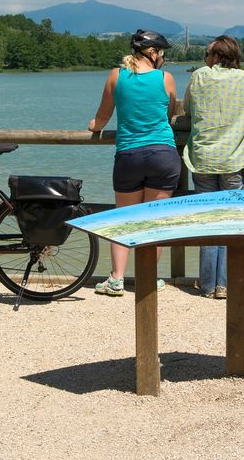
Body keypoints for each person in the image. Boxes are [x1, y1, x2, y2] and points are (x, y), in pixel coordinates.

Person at [88, 29, 180, 296]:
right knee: (154, 220)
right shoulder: (166, 79)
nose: (163, 59)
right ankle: (148, 278)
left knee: (123, 218)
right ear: (152, 54)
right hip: (163, 154)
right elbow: (170, 113)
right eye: (162, 54)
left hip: (129, 154)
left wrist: (94, 125)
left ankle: (116, 279)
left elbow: (102, 118)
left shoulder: (117, 76)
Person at [183, 35, 244, 299]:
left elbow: (188, 107)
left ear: (214, 56)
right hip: (233, 160)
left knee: (208, 221)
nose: (205, 59)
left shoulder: (199, 77)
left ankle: (208, 283)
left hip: (202, 159)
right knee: (231, 221)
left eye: (206, 54)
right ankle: (224, 284)